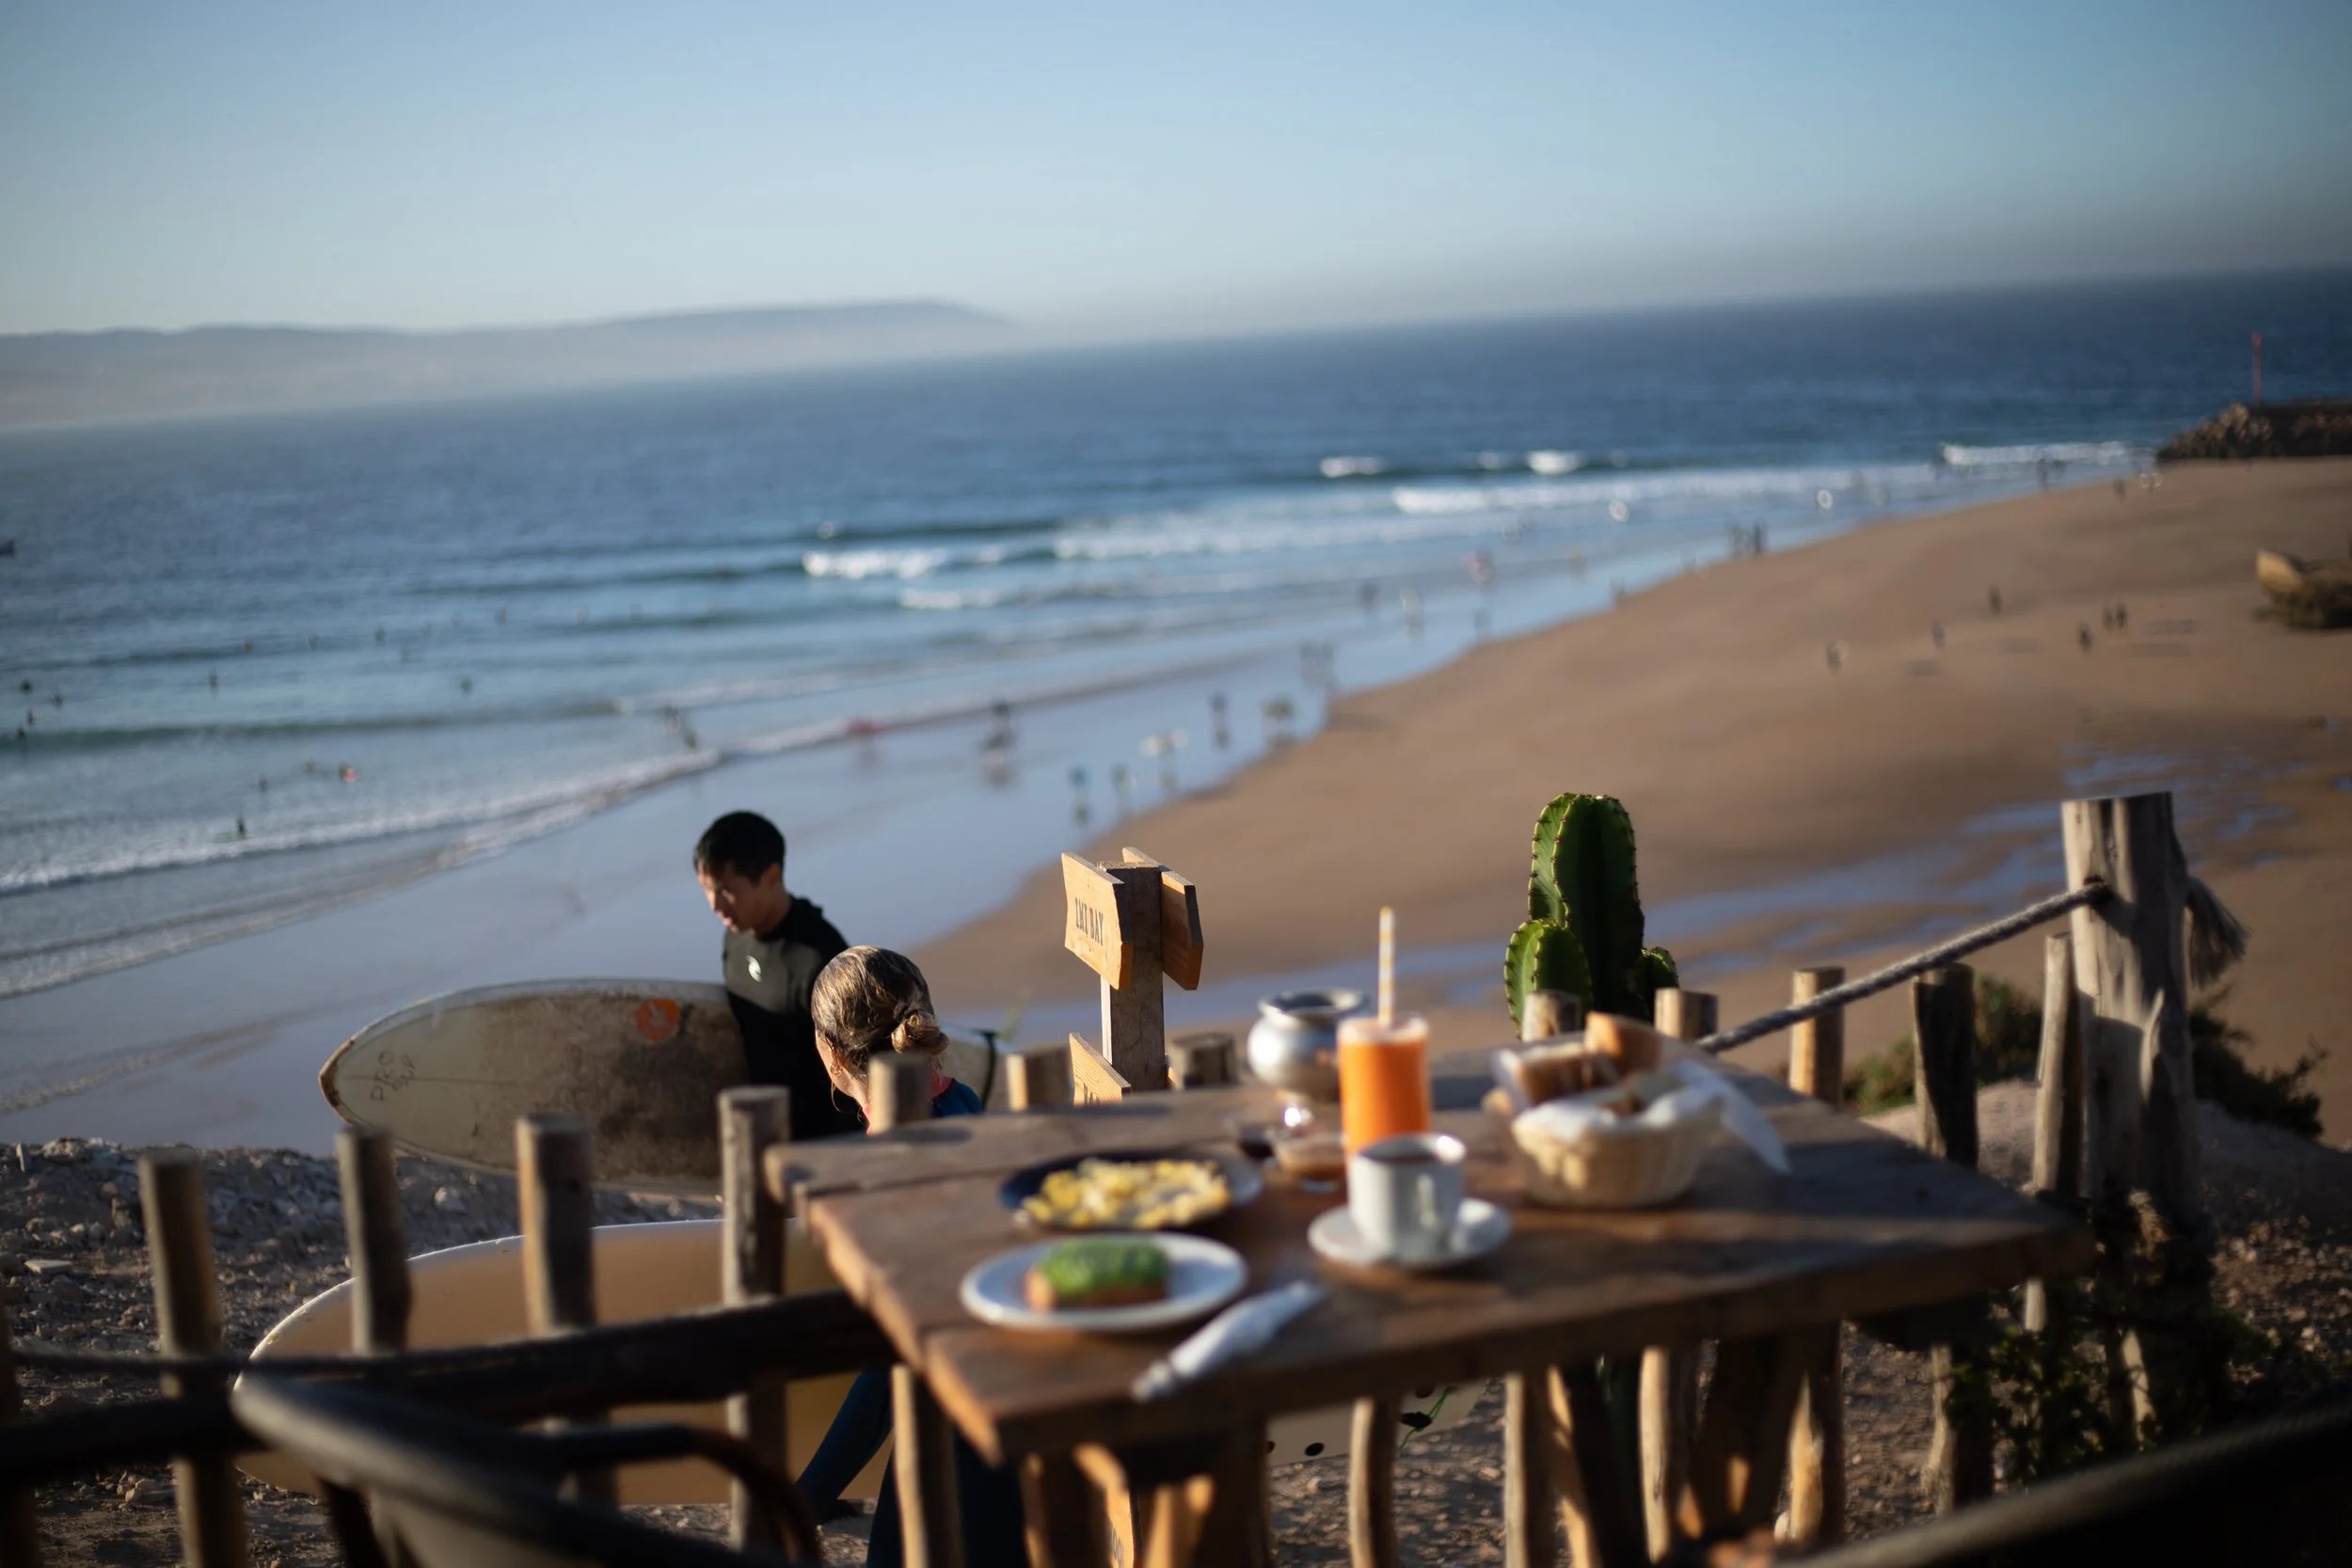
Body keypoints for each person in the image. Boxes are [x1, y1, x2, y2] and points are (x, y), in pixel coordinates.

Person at [795, 947, 1025, 1566]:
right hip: (1006, 1392)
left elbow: (883, 1368)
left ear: (835, 1056)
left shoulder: (884, 1170)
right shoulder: (965, 1102)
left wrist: (811, 1489)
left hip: (949, 1424)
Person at [693, 812, 862, 1141]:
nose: (715, 905)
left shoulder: (819, 958)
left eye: (726, 890)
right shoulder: (735, 937)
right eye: (707, 890)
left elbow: (859, 1073)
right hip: (762, 1130)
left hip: (823, 1140)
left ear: (771, 876)